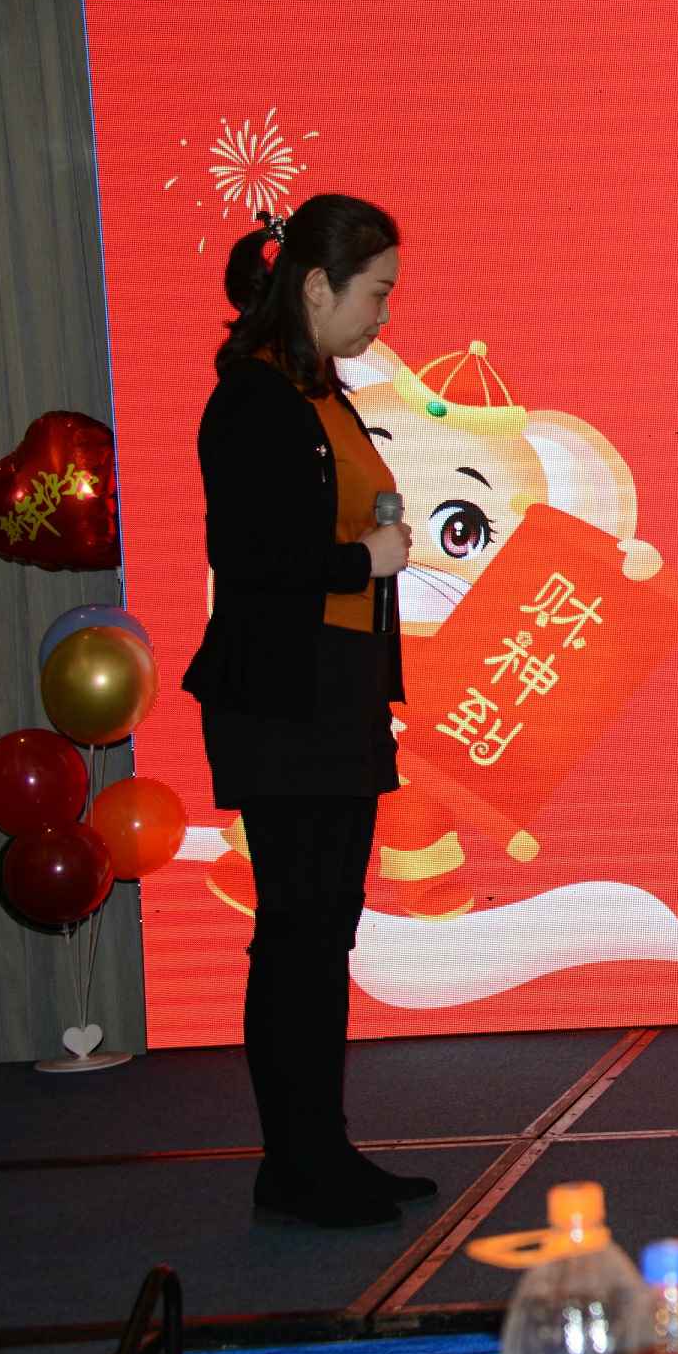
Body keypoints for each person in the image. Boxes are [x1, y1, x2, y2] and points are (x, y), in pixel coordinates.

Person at [181, 195, 431, 1226]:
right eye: (375, 293)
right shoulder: (254, 397)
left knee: (324, 932)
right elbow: (253, 559)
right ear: (316, 287)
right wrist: (363, 558)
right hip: (284, 700)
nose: (384, 314)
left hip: (336, 691)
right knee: (296, 932)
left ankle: (321, 1150)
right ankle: (294, 1165)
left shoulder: (317, 390)